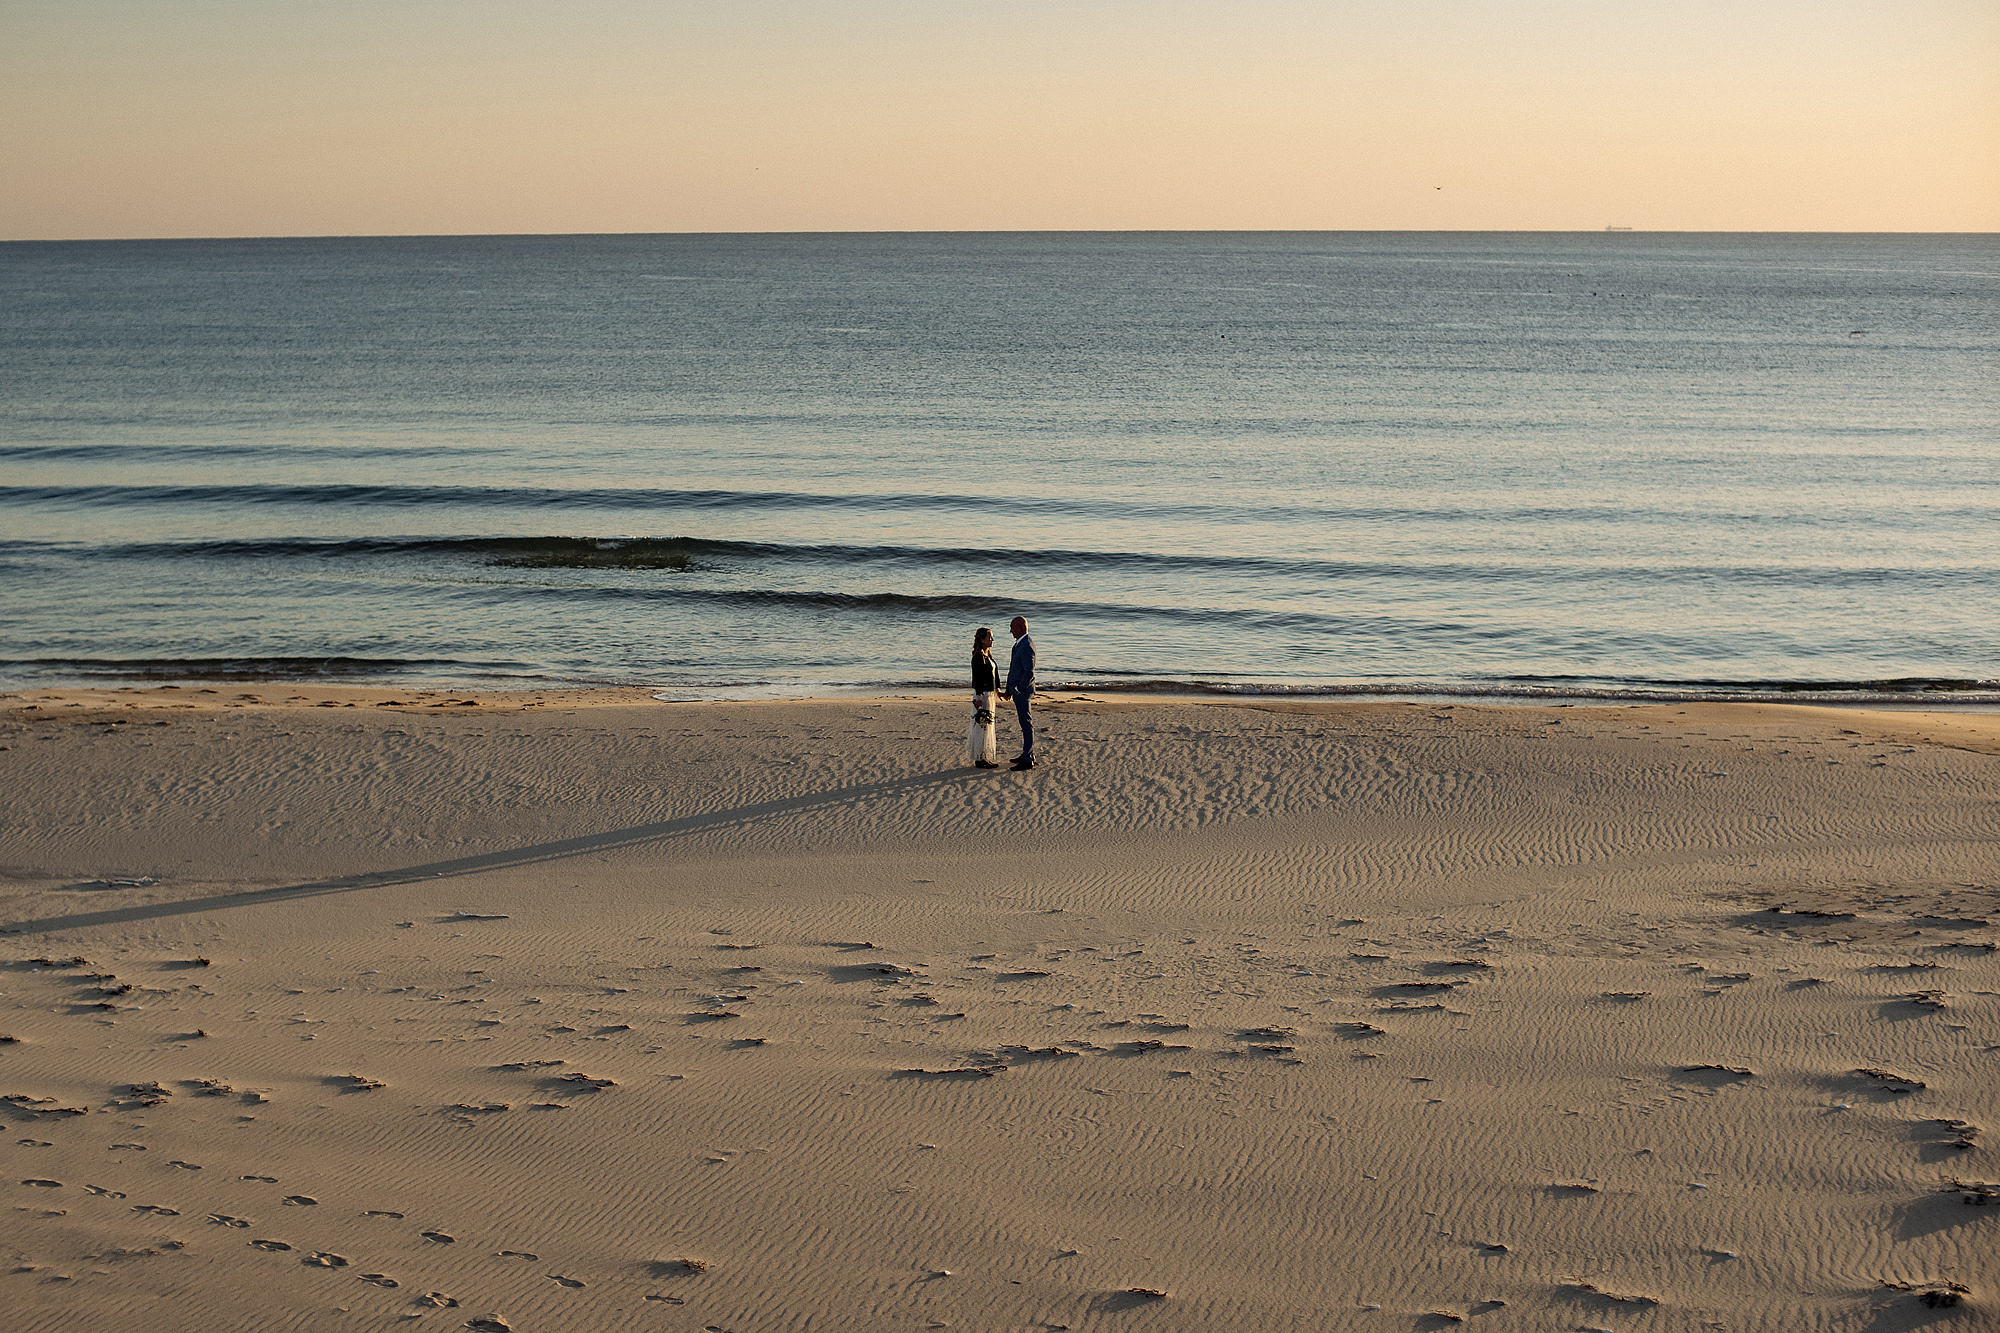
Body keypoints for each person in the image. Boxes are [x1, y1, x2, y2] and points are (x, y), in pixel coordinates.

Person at [999, 615, 1036, 770]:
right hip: (1016, 690)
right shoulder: (1018, 644)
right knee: (1023, 723)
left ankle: (1028, 758)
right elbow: (1013, 669)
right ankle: (1026, 754)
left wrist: (1018, 689)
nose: (1010, 631)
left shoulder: (1026, 645)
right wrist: (1009, 689)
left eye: (1012, 628)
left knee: (1026, 723)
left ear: (1020, 627)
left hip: (1023, 691)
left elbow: (1029, 673)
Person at [966, 627, 1001, 768]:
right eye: (989, 637)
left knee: (987, 724)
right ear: (982, 639)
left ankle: (983, 755)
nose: (992, 640)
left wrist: (999, 692)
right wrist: (979, 698)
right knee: (982, 725)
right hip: (983, 695)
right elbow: (977, 679)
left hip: (990, 695)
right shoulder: (978, 657)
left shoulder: (988, 655)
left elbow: (995, 677)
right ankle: (980, 758)